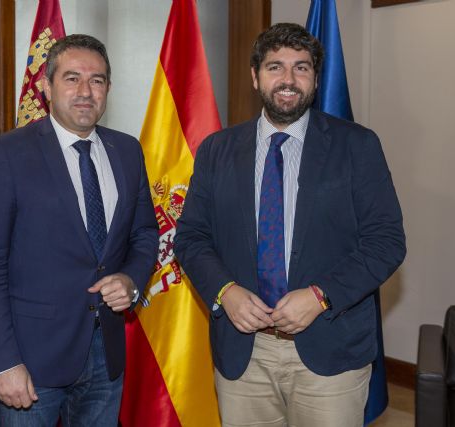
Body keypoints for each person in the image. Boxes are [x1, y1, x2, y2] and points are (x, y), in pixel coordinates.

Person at [174, 23, 406, 427]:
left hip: (330, 350)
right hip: (244, 353)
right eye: (275, 67)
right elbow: (192, 237)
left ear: (315, 79)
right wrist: (225, 292)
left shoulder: (357, 145)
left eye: (301, 68)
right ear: (255, 76)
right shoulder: (217, 150)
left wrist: (320, 296)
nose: (288, 79)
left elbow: (386, 242)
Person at [0, 34, 158, 427]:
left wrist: (131, 280)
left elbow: (144, 234)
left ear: (108, 88)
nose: (85, 91)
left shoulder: (127, 151)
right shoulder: (6, 154)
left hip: (106, 355)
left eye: (97, 80)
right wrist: (3, 363)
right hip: (30, 361)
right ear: (46, 86)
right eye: (72, 78)